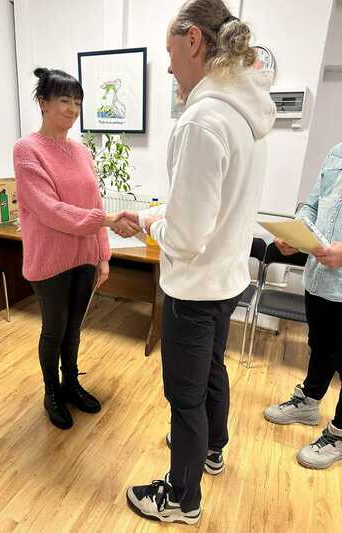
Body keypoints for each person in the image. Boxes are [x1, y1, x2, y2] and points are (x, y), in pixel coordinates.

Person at [123, 0, 276, 525]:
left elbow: (186, 238)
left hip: (193, 287)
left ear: (193, 42)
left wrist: (149, 225)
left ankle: (181, 499)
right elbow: (213, 206)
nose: (168, 67)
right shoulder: (246, 114)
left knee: (183, 397)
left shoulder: (202, 120)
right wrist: (159, 215)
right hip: (227, 278)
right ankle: (212, 449)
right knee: (211, 372)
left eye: (169, 52)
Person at [13, 68, 139, 430]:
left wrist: (103, 255)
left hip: (84, 258)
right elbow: (51, 211)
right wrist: (109, 220)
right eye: (65, 100)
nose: (72, 109)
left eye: (78, 102)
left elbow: (93, 201)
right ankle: (51, 391)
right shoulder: (26, 150)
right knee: (54, 329)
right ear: (43, 103)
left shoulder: (81, 151)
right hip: (50, 260)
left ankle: (71, 382)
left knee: (74, 328)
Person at [264, 142, 342, 470]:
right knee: (321, 347)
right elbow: (312, 205)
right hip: (319, 279)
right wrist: (296, 233)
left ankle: (339, 435)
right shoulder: (336, 151)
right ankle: (309, 402)